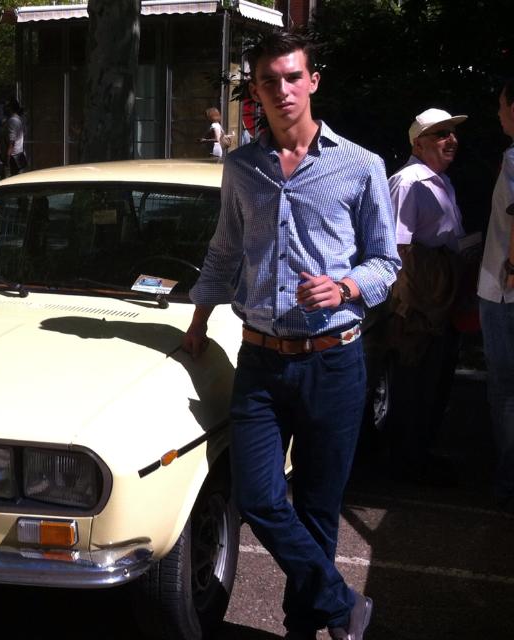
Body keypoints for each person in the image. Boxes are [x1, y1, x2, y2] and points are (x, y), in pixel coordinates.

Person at [182, 31, 399, 640]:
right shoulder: (241, 168)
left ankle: (302, 629)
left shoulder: (360, 165)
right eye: (269, 81)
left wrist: (345, 287)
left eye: (292, 77)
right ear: (255, 91)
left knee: (318, 511)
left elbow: (387, 264)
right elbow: (225, 250)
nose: (282, 90)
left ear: (312, 81)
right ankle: (343, 603)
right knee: (258, 499)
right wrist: (199, 318)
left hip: (334, 363)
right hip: (260, 361)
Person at [385, 107, 470, 485]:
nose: (451, 139)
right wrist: (408, 307)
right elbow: (397, 250)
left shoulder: (440, 180)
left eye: (452, 133)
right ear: (418, 144)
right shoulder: (408, 182)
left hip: (439, 294)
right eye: (441, 134)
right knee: (412, 380)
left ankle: (419, 456)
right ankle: (405, 464)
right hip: (419, 298)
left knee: (433, 379)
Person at [478, 78, 514, 514]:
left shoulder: (513, 158)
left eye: (502, 105)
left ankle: (507, 482)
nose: (498, 113)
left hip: (504, 290)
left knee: (505, 389)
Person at [0, 98, 27, 177]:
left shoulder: (13, 120)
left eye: (5, 106)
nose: (3, 108)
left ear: (10, 108)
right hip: (16, 155)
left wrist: (7, 159)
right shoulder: (17, 119)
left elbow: (11, 142)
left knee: (9, 179)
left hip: (13, 157)